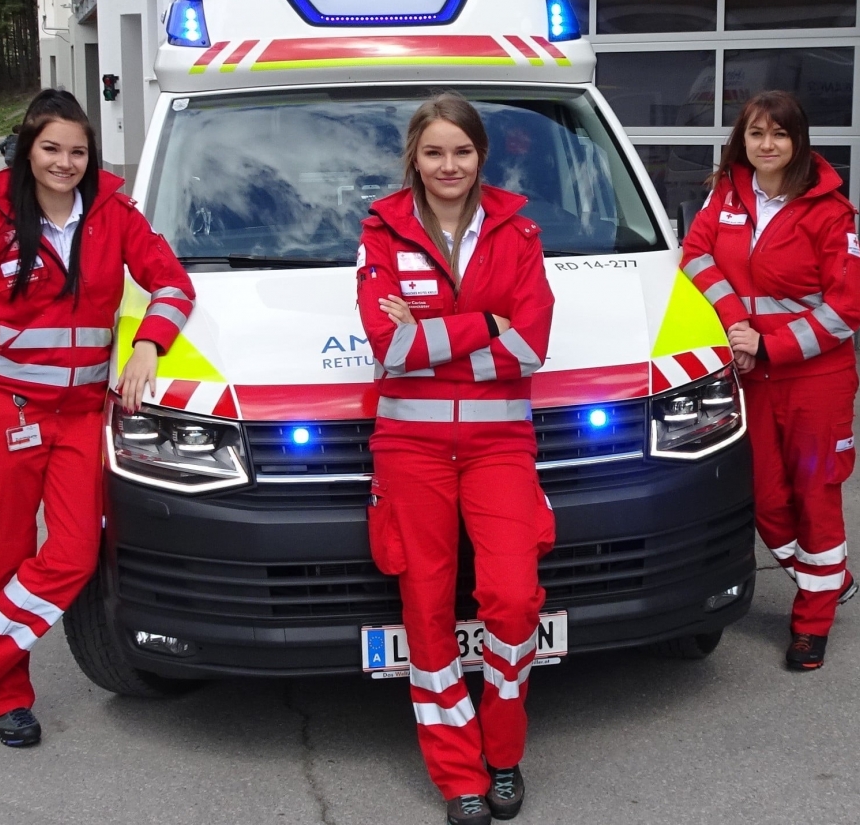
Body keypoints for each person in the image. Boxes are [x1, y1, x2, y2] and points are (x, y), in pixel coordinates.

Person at [0, 89, 195, 746]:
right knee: (0, 554)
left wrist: (149, 344)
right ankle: (5, 697)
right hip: (9, 412)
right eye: (51, 148)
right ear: (28, 150)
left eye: (78, 150)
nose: (65, 162)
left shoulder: (115, 214)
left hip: (83, 415)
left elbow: (173, 283)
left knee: (74, 553)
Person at [356, 92, 555, 825]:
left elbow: (530, 347)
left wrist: (437, 336)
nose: (449, 165)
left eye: (462, 151)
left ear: (481, 157)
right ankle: (459, 774)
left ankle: (503, 752)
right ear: (415, 155)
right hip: (410, 451)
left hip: (500, 446)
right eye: (434, 151)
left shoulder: (520, 230)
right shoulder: (381, 229)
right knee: (428, 613)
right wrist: (485, 324)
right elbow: (389, 349)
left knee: (511, 598)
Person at [681, 90, 860, 671]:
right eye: (757, 133)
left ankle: (812, 619)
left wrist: (773, 345)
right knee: (762, 496)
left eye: (779, 134)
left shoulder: (832, 211)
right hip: (750, 374)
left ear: (798, 141)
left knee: (815, 493)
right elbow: (695, 255)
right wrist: (737, 323)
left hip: (817, 379)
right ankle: (827, 576)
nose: (767, 145)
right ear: (743, 139)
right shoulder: (726, 193)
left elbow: (847, 309)